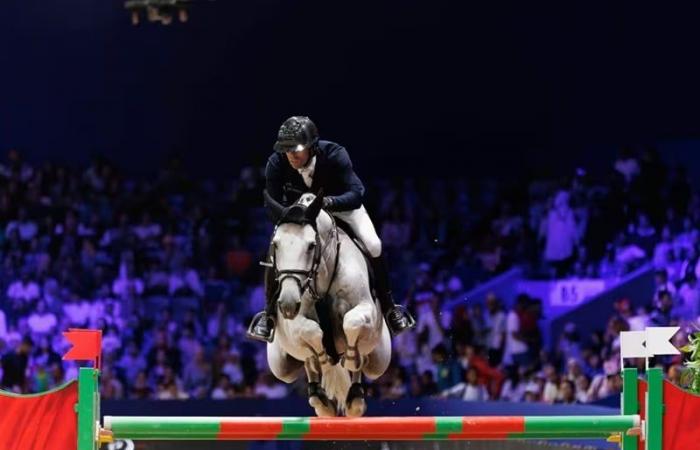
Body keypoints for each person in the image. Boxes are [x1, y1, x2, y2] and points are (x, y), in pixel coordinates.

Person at [247, 116, 415, 341]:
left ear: (312, 146)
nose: (291, 155)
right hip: (300, 216)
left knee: (374, 244)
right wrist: (291, 214)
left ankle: (389, 308)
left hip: (341, 208)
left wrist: (328, 203)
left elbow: (356, 193)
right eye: (287, 150)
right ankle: (268, 315)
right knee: (275, 249)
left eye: (296, 149)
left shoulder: (335, 154)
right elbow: (272, 204)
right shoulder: (276, 163)